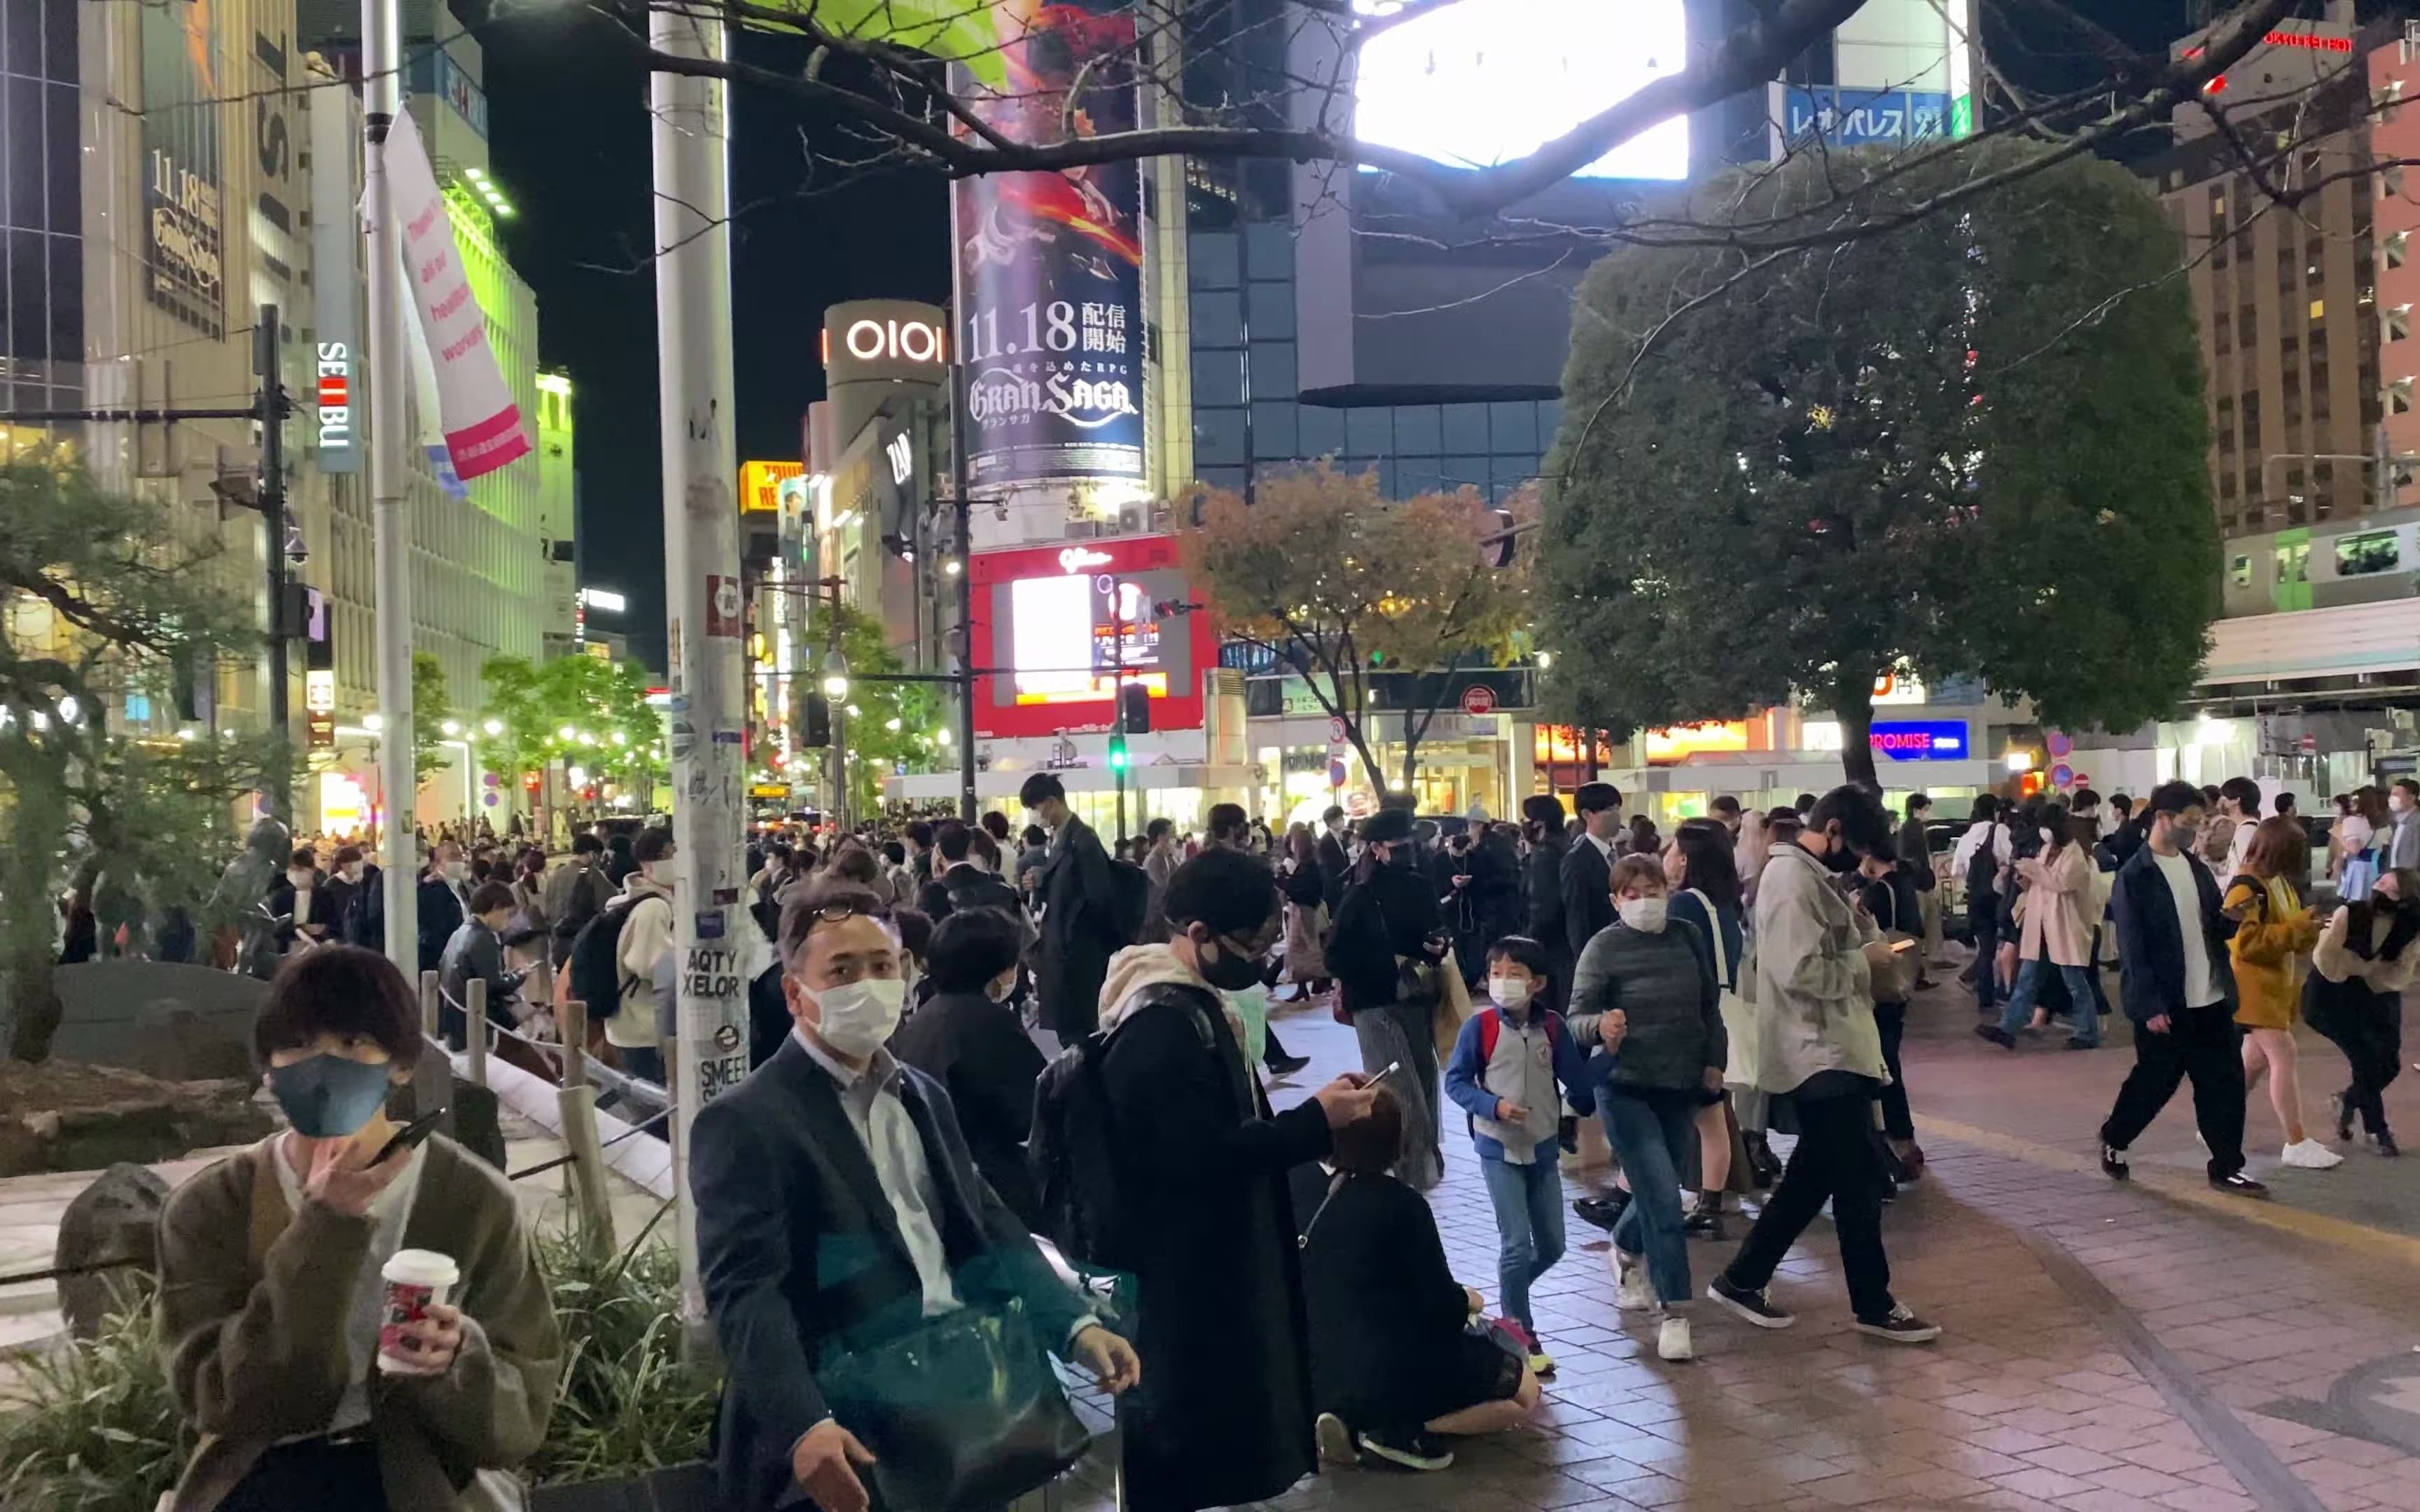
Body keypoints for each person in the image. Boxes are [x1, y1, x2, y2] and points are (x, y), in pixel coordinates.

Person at [690, 879, 1139, 1512]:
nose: (867, 984)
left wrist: (1073, 1324)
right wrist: (803, 1424)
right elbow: (745, 1293)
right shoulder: (748, 1121)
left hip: (957, 1403)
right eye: (841, 971)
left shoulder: (921, 1095)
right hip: (848, 1429)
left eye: (882, 966)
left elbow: (986, 1222)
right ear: (796, 993)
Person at [156, 946, 559, 1511]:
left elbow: (523, 1410)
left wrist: (457, 1361)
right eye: (297, 1045)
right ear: (269, 1070)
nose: (323, 1068)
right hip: (260, 1476)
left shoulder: (471, 1198)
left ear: (400, 1064)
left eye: (351, 1044)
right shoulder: (212, 1206)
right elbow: (218, 1400)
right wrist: (326, 1225)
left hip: (423, 1477)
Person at [1093, 848, 1377, 1509]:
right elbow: (1194, 1158)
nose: (1262, 959)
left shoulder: (1190, 1003)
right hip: (1179, 1275)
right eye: (1251, 943)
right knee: (1178, 1440)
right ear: (1196, 935)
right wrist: (1314, 1123)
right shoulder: (1160, 1023)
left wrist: (1315, 1113)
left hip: (1202, 1264)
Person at [1706, 785, 1942, 1343]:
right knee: (1857, 1175)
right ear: (1831, 829)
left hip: (1833, 1050)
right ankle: (1871, 1301)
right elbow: (1799, 972)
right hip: (1817, 1052)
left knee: (1817, 1176)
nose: (1859, 860)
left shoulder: (1813, 878)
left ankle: (1745, 1277)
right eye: (1855, 846)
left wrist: (1863, 939)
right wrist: (1864, 961)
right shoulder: (1790, 881)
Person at [1305, 1086, 1542, 1474]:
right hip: (1389, 1365)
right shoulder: (1402, 1204)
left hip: (1313, 1363)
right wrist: (1467, 1300)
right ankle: (1396, 1431)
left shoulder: (1296, 1186)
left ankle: (1349, 1419)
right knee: (1524, 1392)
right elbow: (1439, 1308)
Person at [1566, 856, 1725, 1363]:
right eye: (1630, 893)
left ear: (1668, 888)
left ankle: (1625, 1245)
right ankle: (1675, 1310)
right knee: (1664, 1198)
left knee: (1662, 1187)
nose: (1643, 900)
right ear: (1615, 901)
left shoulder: (1686, 937)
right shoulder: (1603, 947)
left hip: (1680, 1084)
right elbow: (1575, 1019)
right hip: (1625, 1088)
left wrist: (1715, 1060)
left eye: (1651, 889)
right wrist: (1601, 1027)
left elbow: (1708, 1006)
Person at [2099, 781, 2265, 1196]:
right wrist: (2149, 1005)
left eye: (2198, 821)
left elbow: (2209, 927)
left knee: (2223, 1085)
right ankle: (2115, 1138)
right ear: (2162, 818)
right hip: (2167, 1005)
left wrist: (2232, 919)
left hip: (2210, 998)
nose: (2195, 829)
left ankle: (2226, 1164)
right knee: (2155, 1083)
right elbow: (2133, 948)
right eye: (2189, 821)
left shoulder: (2195, 869)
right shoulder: (2135, 876)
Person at [1440, 936, 1592, 1376]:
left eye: (1514, 974)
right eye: (1495, 974)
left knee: (1552, 1245)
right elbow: (1456, 1083)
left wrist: (1610, 1053)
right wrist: (1494, 1107)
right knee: (1515, 1242)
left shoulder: (1553, 1028)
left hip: (1542, 1149)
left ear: (1538, 983)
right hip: (1497, 1149)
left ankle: (1507, 1307)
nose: (1502, 982)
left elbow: (1578, 1083)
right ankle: (1522, 1332)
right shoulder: (1480, 1028)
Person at [890, 906, 1048, 1226]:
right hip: (987, 1188)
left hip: (935, 1180)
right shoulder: (990, 1024)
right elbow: (1029, 1113)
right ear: (996, 968)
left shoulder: (925, 1018)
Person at [1326, 805, 1448, 1190]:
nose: (1409, 847)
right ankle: (1414, 1174)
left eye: (1412, 840)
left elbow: (1433, 937)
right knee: (1409, 1092)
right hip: (1387, 1003)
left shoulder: (1398, 888)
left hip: (1400, 1000)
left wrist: (1434, 948)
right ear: (1377, 848)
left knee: (1414, 1090)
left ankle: (1416, 1172)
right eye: (1401, 842)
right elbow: (1336, 957)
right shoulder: (1363, 894)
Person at [2225, 816, 2339, 1170]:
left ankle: (2215, 1123)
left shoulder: (2277, 884)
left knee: (2253, 1063)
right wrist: (2297, 928)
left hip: (2275, 986)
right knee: (2283, 1054)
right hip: (2254, 988)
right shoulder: (2246, 886)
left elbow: (2282, 934)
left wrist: (2307, 927)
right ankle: (2296, 1140)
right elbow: (2246, 944)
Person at [1664, 819, 1760, 1214]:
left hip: (1696, 1020)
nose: (1666, 858)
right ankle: (1711, 1203)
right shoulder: (1723, 904)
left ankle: (1696, 1204)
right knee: (1713, 1116)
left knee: (1687, 1117)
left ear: (1685, 860)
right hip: (1725, 1014)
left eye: (1672, 850)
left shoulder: (1685, 904)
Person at [2308, 867, 2416, 1158]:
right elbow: (2326, 958)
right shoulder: (2351, 913)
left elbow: (2402, 971)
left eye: (2391, 889)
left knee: (2389, 1063)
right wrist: (2364, 967)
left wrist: (2369, 974)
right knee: (2366, 1058)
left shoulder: (2409, 927)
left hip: (2371, 992)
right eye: (2380, 881)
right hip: (2328, 994)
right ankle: (2377, 1130)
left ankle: (2348, 1100)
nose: (2380, 889)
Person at [1978, 812, 2106, 1051]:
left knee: (2076, 983)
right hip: (2042, 930)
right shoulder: (2047, 850)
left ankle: (2088, 1032)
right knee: (2026, 980)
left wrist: (2034, 870)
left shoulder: (2076, 855)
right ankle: (2008, 1028)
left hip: (2064, 928)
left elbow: (2062, 883)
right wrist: (2023, 876)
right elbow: (2040, 883)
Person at [1024, 772, 1127, 1040]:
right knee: (1070, 1032)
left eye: (1035, 808)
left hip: (1078, 956)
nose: (1035, 815)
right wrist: (1041, 881)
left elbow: (1100, 897)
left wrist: (1077, 935)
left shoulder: (1083, 840)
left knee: (1079, 1033)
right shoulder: (1062, 838)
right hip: (1064, 952)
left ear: (1051, 802)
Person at [608, 827, 678, 1082]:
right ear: (648, 864)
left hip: (634, 1025)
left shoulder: (637, 899)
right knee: (658, 1112)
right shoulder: (653, 907)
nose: (675, 861)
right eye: (668, 855)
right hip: (644, 1028)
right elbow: (653, 967)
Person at [438, 881, 528, 1051]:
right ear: (496, 908)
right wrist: (520, 976)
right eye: (508, 914)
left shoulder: (460, 933)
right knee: (479, 1071)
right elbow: (493, 985)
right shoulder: (483, 938)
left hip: (454, 1021)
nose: (508, 922)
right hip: (474, 1025)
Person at [1951, 797, 2007, 1011]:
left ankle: (1985, 994)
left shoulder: (1966, 837)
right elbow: (2011, 858)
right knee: (2005, 944)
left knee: (1986, 946)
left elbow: (1957, 871)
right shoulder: (1998, 830)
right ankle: (1996, 992)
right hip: (1996, 897)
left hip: (1975, 898)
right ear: (1994, 810)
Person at [1560, 782, 1623, 965]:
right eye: (1609, 810)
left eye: (1618, 809)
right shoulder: (1577, 859)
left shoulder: (1616, 854)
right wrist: (1586, 961)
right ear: (1587, 815)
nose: (1617, 816)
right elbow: (1577, 918)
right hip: (1598, 954)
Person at [1520, 794, 1573, 1013]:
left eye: (1526, 819)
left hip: (1549, 945)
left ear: (1539, 822)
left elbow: (1541, 905)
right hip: (1567, 941)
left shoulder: (1545, 854)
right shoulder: (1567, 846)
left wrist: (1529, 941)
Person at [1277, 824, 1332, 1001]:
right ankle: (1303, 987)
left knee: (1309, 951)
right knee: (1297, 952)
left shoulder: (1308, 866)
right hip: (1300, 911)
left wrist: (1280, 880)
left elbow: (1297, 888)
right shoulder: (1308, 865)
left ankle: (1330, 976)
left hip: (1304, 912)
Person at [545, 832, 616, 955]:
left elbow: (548, 909)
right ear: (591, 854)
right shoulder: (592, 875)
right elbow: (610, 903)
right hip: (584, 944)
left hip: (558, 944)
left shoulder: (556, 875)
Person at [1896, 794, 1939, 987]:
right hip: (1919, 884)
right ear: (1917, 809)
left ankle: (1919, 973)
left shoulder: (1909, 828)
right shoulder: (1913, 828)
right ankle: (1917, 974)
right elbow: (1916, 858)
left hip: (1917, 883)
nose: (1928, 813)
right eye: (1926, 809)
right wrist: (1924, 877)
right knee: (1919, 931)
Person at [267, 847, 336, 956]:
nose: (295, 874)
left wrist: (323, 930)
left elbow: (335, 925)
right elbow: (274, 927)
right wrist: (297, 931)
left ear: (312, 870)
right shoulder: (280, 897)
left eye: (300, 870)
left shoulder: (325, 896)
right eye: (291, 870)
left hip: (318, 952)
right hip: (286, 951)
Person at [415, 841, 467, 979]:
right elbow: (434, 928)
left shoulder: (462, 887)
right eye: (452, 857)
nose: (458, 861)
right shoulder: (433, 889)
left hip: (461, 955)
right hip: (442, 956)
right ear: (438, 863)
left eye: (460, 856)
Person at [1316, 804, 1353, 912]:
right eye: (1340, 819)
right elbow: (1327, 868)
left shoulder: (1342, 837)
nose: (1343, 821)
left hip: (1344, 883)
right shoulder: (1325, 842)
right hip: (1334, 887)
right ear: (1332, 822)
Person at [2391, 779, 2420, 872]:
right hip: (2397, 875)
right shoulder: (2396, 820)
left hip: (2411, 878)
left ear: (2411, 798)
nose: (2392, 798)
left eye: (2396, 795)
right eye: (2391, 794)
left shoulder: (2417, 822)